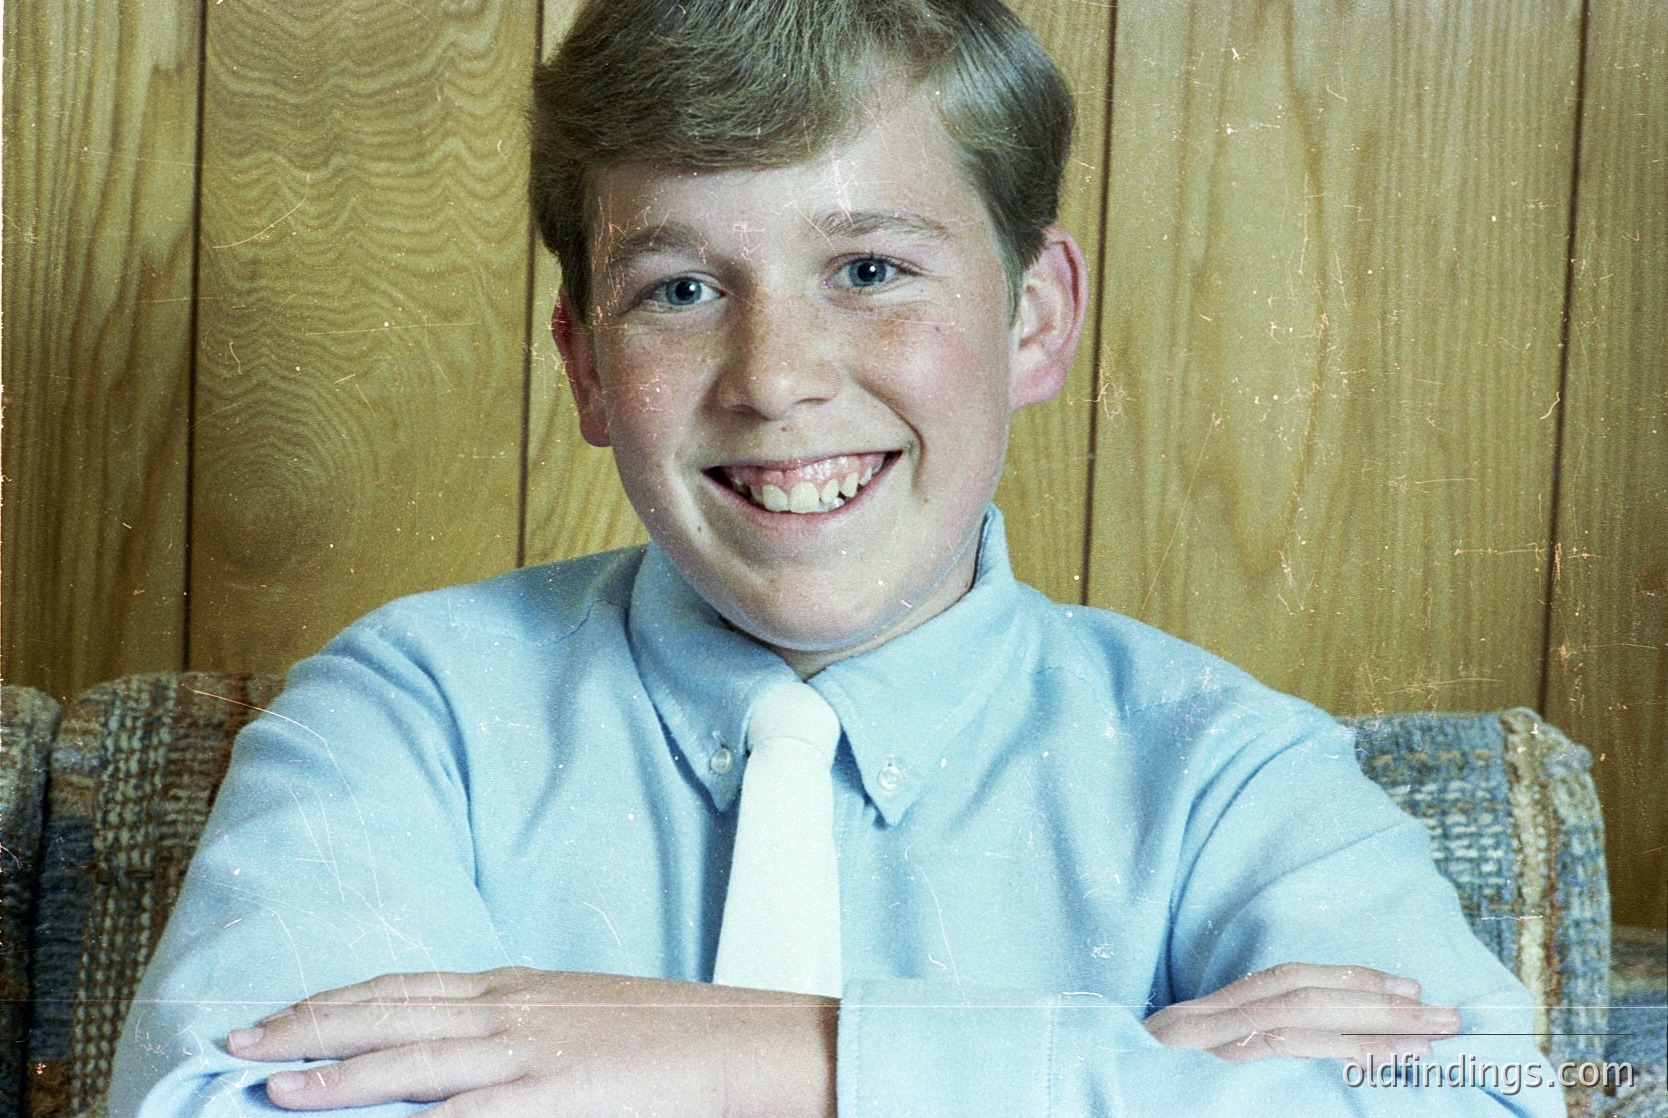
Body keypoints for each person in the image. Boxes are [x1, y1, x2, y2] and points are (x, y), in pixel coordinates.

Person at [111, 0, 1565, 1114]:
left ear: (1038, 315)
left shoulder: (1226, 772)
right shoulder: (410, 714)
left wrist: (788, 1053)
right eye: (680, 288)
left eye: (869, 270)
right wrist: (1113, 1070)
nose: (776, 374)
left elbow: (1485, 1096)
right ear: (587, 368)